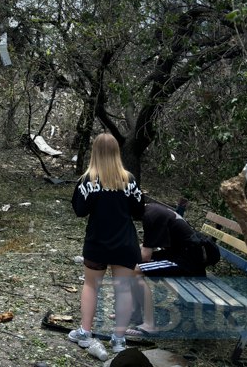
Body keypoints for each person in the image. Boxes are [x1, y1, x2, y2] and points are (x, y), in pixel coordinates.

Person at [68, 133, 145, 354]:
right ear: (116, 152)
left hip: (97, 242)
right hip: (125, 243)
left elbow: (79, 211)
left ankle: (85, 332)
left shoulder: (88, 180)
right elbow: (140, 211)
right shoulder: (128, 179)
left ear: (95, 153)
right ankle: (119, 340)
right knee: (123, 291)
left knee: (91, 285)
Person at [127, 201, 209, 335]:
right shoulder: (152, 210)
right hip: (181, 255)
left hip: (186, 262)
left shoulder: (151, 217)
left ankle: (149, 325)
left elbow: (145, 256)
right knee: (132, 267)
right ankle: (135, 313)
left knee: (135, 270)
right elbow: (147, 247)